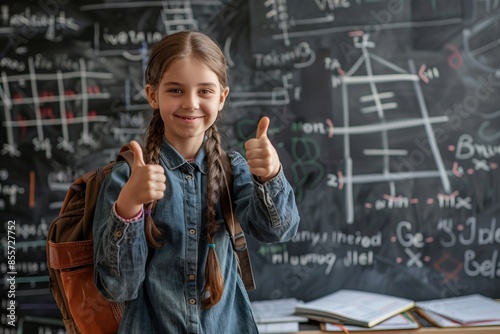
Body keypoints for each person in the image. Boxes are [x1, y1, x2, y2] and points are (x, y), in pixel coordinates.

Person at [93, 30, 300, 334]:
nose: (190, 103)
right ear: (153, 95)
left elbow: (279, 231)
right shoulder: (127, 177)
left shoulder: (234, 170)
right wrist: (128, 205)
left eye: (204, 91)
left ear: (222, 97)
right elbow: (117, 288)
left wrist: (270, 176)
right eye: (175, 90)